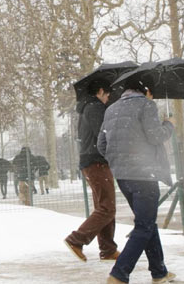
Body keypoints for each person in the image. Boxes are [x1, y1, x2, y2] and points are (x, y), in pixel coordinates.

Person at [98, 81, 177, 284]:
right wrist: (169, 125)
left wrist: (119, 161)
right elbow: (155, 136)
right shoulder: (146, 105)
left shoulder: (111, 109)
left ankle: (159, 273)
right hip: (144, 175)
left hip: (123, 177)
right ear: (147, 91)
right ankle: (119, 274)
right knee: (144, 226)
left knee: (147, 223)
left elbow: (101, 145)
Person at [64, 80, 119, 263]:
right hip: (97, 162)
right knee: (107, 208)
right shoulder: (95, 107)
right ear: (101, 90)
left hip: (92, 161)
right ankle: (76, 240)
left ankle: (108, 249)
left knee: (104, 206)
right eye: (107, 94)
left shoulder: (88, 108)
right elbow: (104, 135)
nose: (108, 98)